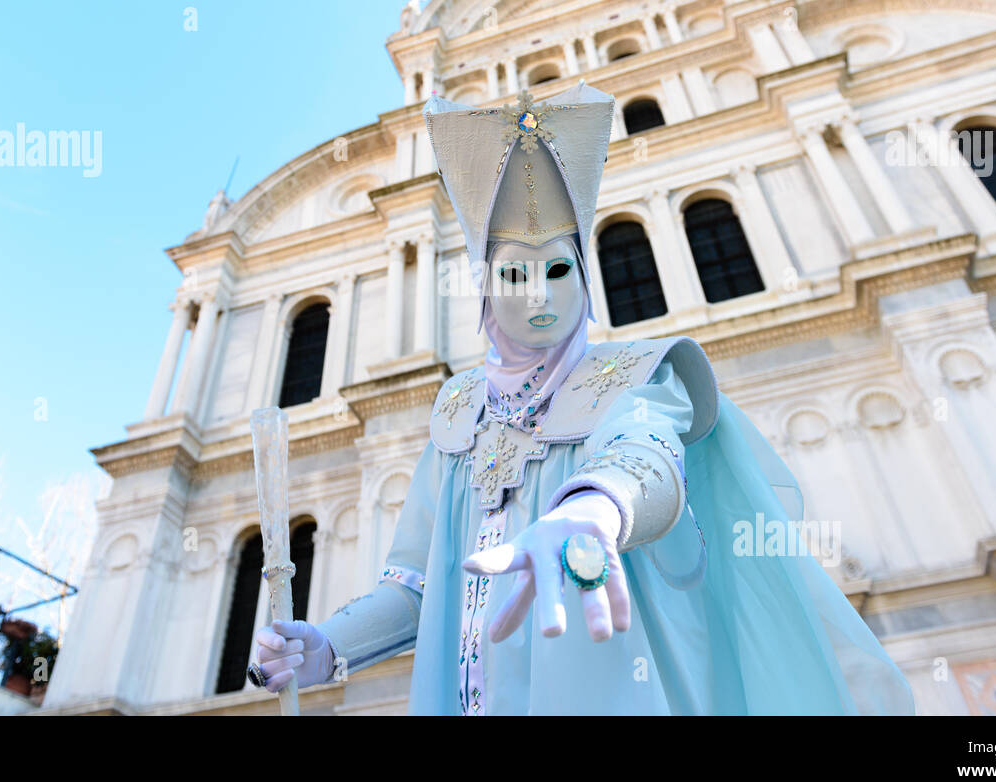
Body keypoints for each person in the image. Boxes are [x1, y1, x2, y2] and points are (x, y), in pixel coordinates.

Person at [250, 84, 915, 715]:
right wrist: (331, 644)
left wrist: (597, 510)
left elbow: (646, 454)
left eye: (558, 268)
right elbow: (414, 587)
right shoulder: (456, 417)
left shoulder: (636, 375)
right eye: (514, 273)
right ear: (485, 289)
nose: (538, 296)